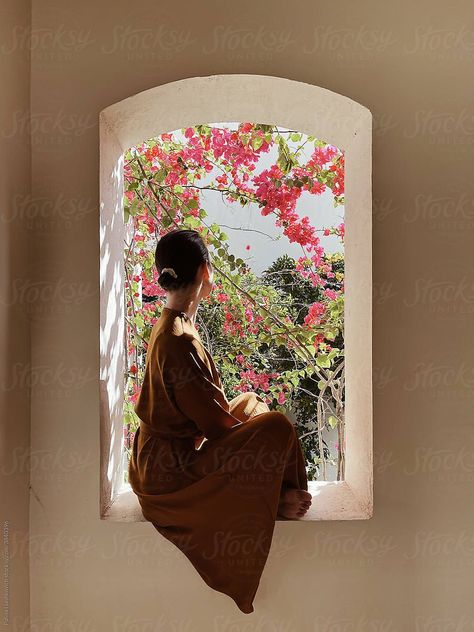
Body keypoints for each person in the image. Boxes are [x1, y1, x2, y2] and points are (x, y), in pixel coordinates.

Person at [128, 228, 311, 614]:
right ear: (205, 273)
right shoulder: (178, 338)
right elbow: (217, 427)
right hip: (169, 476)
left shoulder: (172, 323)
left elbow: (216, 413)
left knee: (249, 404)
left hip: (154, 458)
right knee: (275, 426)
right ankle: (282, 497)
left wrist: (247, 419)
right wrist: (256, 435)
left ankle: (278, 492)